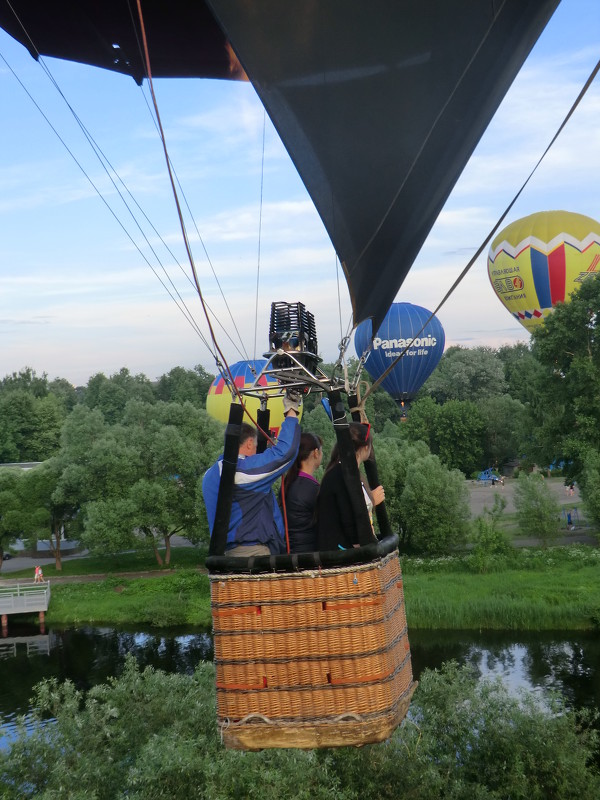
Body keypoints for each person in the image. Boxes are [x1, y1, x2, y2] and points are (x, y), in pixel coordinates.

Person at [202, 393, 301, 557]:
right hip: (251, 553)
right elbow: (285, 453)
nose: (256, 455)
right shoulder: (242, 472)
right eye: (255, 448)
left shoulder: (210, 474)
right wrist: (291, 411)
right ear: (249, 443)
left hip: (225, 553)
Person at [316, 422, 385, 551]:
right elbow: (348, 515)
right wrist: (373, 500)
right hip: (341, 550)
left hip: (344, 546)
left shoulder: (344, 472)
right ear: (365, 447)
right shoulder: (342, 476)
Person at [281, 432, 323, 552]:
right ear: (316, 453)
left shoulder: (288, 483)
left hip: (288, 550)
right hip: (308, 552)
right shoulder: (311, 488)